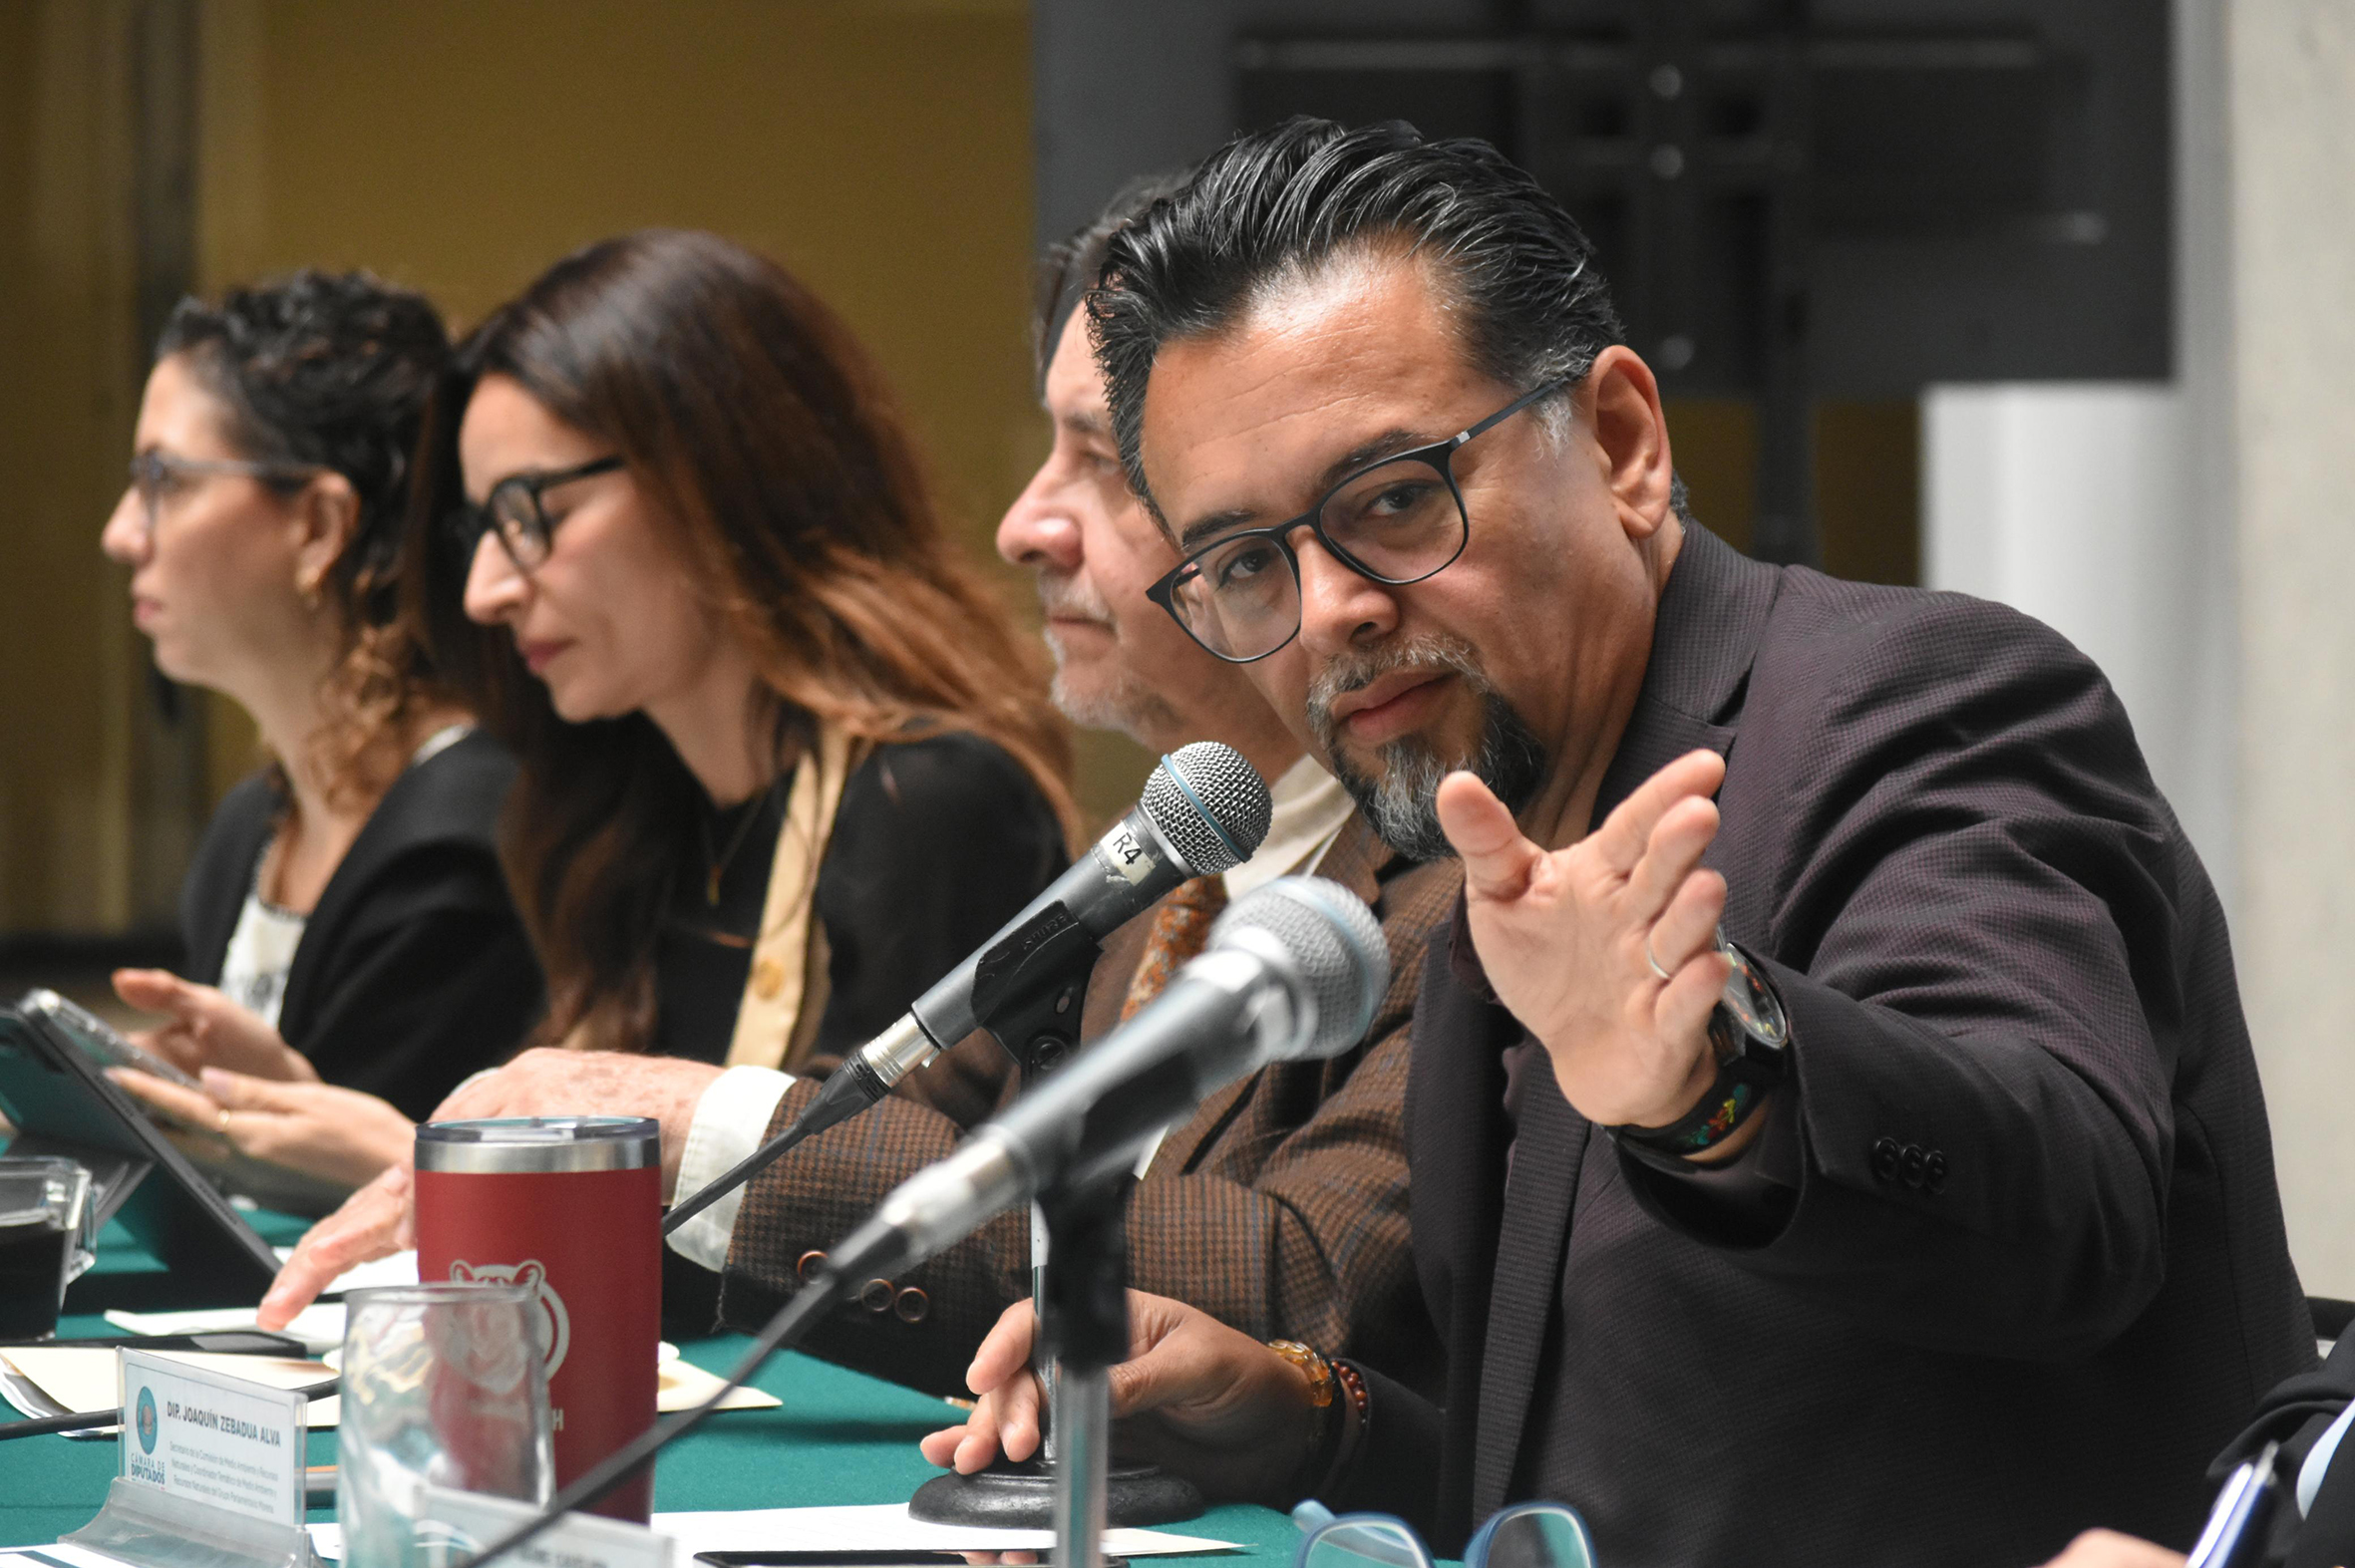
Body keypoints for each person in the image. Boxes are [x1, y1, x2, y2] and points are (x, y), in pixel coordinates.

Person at [920, 117, 2314, 1565]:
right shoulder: (1489, 849)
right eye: (1247, 563)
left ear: (1622, 444)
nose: (1329, 611)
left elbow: (2065, 1215)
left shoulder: (1920, 702)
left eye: (1393, 500)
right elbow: (1591, 1478)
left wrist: (1714, 1079)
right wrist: (1305, 1417)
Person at [260, 200, 1458, 1400]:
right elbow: (912, 1133)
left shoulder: (1451, 867)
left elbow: (1301, 1287)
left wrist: (674, 1123)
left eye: (1104, 461)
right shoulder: (1167, 853)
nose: (1021, 525)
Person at [248, 224, 1073, 1295]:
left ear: (715, 473)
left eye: (531, 513)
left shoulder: (931, 800)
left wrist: (438, 1163)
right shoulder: (616, 805)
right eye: (479, 530)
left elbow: (889, 1257)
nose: (485, 591)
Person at [97, 271, 541, 1199]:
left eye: (162, 481)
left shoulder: (466, 838)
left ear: (318, 524)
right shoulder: (247, 830)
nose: (121, 533)